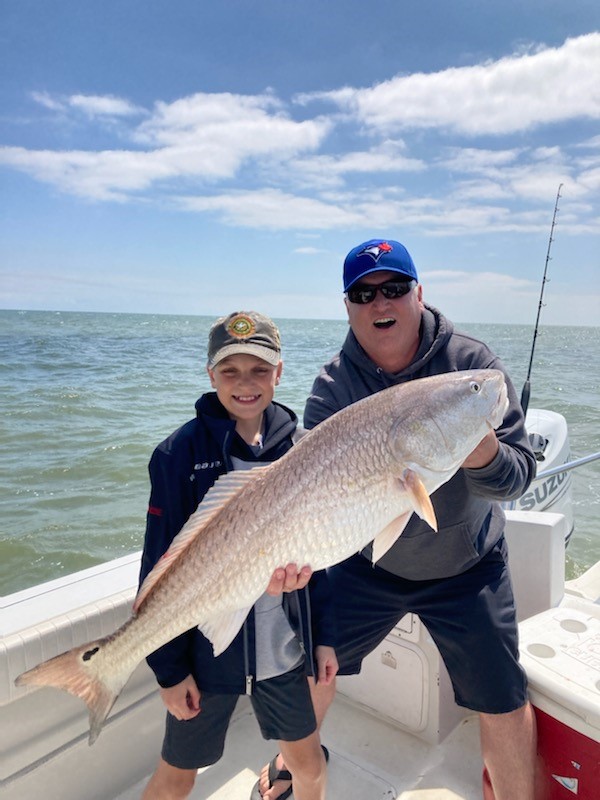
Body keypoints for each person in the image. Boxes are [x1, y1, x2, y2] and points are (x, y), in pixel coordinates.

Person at [256, 240, 538, 800]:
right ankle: (295, 763)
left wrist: (482, 453)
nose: (379, 302)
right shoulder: (333, 386)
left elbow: (519, 477)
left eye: (393, 287)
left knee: (503, 697)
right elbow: (310, 497)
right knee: (310, 666)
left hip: (468, 564)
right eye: (363, 294)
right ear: (348, 307)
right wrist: (290, 561)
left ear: (419, 293)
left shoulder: (473, 369)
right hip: (368, 564)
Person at [139, 310, 337, 800]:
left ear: (279, 373)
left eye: (259, 370)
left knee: (309, 768)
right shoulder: (177, 454)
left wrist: (326, 639)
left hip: (283, 654)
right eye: (230, 370)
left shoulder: (306, 449)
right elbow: (159, 568)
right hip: (207, 660)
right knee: (177, 778)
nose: (245, 383)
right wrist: (170, 671)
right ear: (211, 375)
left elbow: (325, 559)